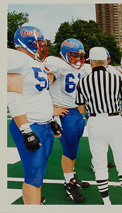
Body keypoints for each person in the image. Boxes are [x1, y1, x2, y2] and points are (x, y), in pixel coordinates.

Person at [7, 26, 62, 204]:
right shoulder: (18, 59)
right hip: (30, 125)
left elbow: (41, 95)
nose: (40, 47)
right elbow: (13, 98)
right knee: (34, 175)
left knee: (40, 170)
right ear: (27, 43)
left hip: (43, 124)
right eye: (37, 44)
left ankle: (36, 201)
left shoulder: (34, 62)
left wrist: (51, 119)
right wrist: (26, 130)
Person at [75, 47, 122, 205]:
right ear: (106, 61)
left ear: (91, 62)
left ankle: (107, 202)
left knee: (99, 163)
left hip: (95, 122)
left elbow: (81, 109)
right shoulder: (116, 79)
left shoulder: (83, 81)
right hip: (114, 120)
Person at [45, 38, 91, 203]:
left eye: (80, 55)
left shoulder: (82, 68)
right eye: (74, 55)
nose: (78, 59)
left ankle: (71, 176)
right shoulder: (57, 66)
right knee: (69, 150)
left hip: (78, 113)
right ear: (65, 54)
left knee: (74, 148)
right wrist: (51, 109)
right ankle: (68, 184)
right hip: (65, 114)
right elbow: (41, 88)